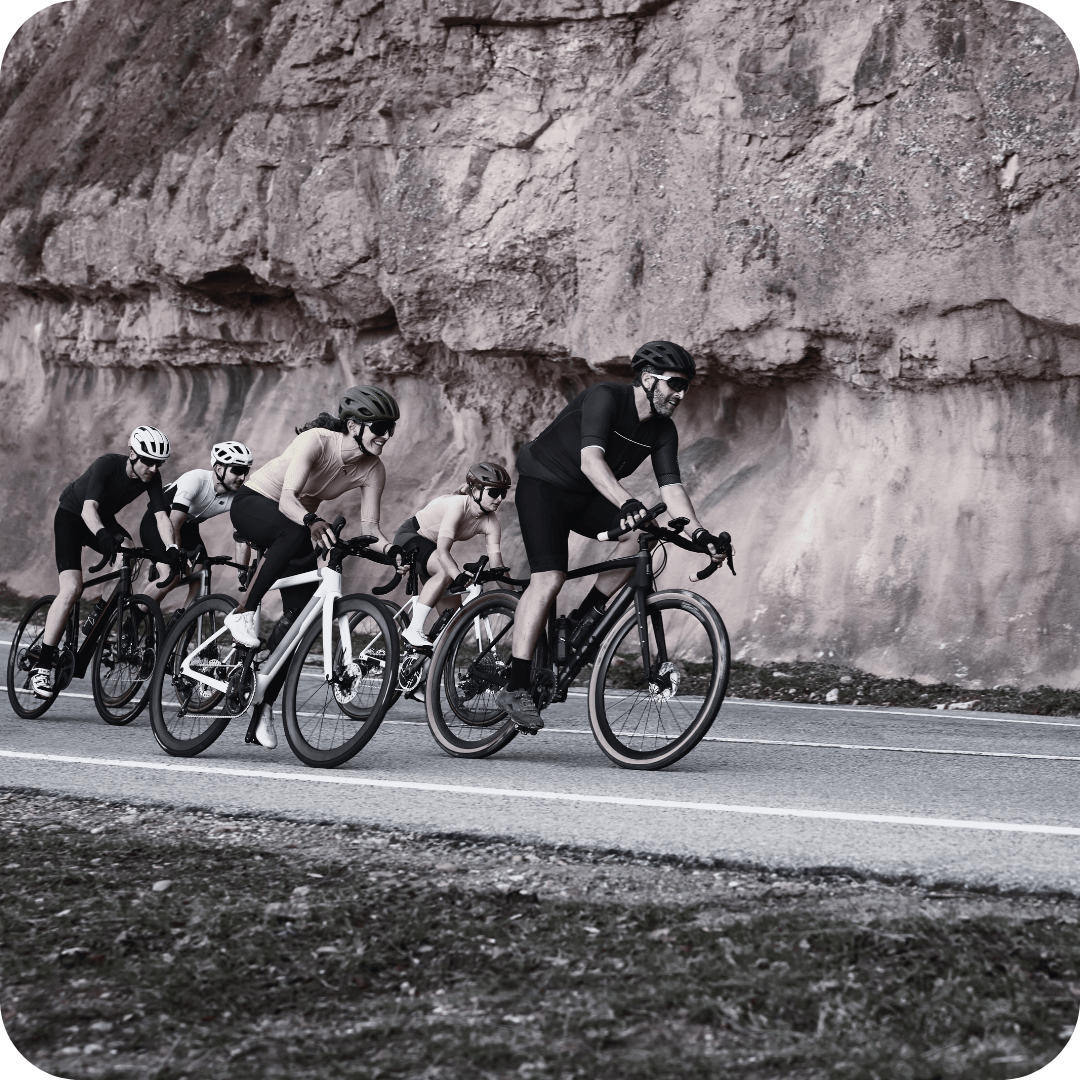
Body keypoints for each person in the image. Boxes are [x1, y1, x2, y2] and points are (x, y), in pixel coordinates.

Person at [496, 340, 727, 733]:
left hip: (586, 496)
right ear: (649, 379)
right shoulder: (606, 397)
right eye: (675, 384)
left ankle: (582, 620)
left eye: (686, 386)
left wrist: (701, 534)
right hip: (544, 485)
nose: (681, 394)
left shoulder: (662, 430)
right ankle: (515, 687)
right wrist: (626, 501)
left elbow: (672, 489)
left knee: (642, 535)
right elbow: (591, 461)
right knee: (549, 578)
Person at [226, 385, 402, 749]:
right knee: (293, 533)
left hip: (298, 524)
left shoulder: (373, 469)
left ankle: (262, 706)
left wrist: (393, 551)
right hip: (256, 503)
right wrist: (312, 521)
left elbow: (371, 530)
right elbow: (287, 500)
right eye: (380, 427)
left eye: (391, 429)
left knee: (300, 619)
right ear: (353, 426)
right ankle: (243, 612)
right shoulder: (317, 441)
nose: (386, 436)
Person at [30, 426, 180, 698]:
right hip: (72, 517)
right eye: (148, 461)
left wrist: (171, 547)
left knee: (128, 552)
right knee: (72, 589)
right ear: (132, 454)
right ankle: (42, 666)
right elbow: (89, 509)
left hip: (102, 519)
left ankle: (99, 612)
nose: (153, 468)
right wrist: (101, 534)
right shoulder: (107, 465)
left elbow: (161, 517)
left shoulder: (152, 477)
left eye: (159, 463)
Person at [392, 461, 510, 648]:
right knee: (446, 572)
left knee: (453, 625)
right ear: (475, 490)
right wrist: (458, 576)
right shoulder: (458, 505)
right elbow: (443, 551)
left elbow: (497, 566)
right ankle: (413, 629)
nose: (500, 498)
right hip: (410, 538)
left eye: (503, 493)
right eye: (494, 492)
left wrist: (516, 597)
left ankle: (426, 661)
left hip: (431, 550)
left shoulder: (492, 523)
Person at [138, 441, 254, 615]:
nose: (242, 477)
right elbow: (174, 522)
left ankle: (183, 622)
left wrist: (242, 573)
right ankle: (132, 621)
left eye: (246, 471)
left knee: (202, 573)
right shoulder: (196, 479)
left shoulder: (237, 496)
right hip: (159, 523)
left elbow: (242, 540)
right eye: (237, 471)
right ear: (219, 468)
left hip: (188, 528)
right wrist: (175, 556)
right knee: (171, 577)